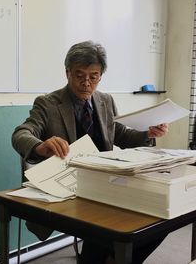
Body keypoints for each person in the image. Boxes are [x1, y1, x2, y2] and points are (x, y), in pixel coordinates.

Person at [12, 40, 168, 264]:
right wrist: (40, 145)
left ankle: (113, 258)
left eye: (93, 76)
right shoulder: (48, 103)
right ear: (67, 73)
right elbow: (21, 133)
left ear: (101, 75)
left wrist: (148, 133)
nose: (86, 83)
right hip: (70, 187)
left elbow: (120, 134)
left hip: (104, 182)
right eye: (79, 75)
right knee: (107, 222)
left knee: (157, 215)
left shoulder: (105, 101)